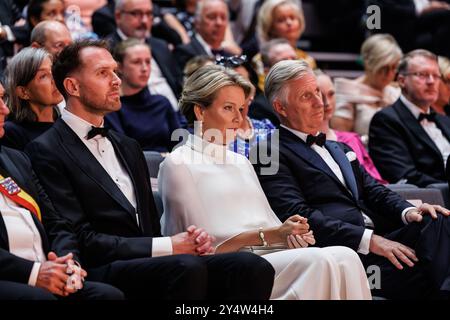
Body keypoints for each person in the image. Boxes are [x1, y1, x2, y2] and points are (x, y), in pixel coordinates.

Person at [25, 39, 275, 300]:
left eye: (115, 71)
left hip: (151, 259)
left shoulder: (127, 145)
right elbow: (80, 237)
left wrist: (187, 241)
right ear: (72, 86)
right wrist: (169, 245)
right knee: (185, 267)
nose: (116, 80)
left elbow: (149, 227)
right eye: (103, 73)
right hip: (98, 266)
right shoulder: (46, 149)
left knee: (249, 266)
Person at [159, 64, 372, 300]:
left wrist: (293, 234)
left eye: (241, 109)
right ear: (200, 112)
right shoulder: (178, 164)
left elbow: (271, 227)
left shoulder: (241, 161)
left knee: (346, 256)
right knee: (319, 261)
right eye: (228, 108)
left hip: (264, 256)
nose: (239, 118)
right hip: (227, 267)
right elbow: (201, 248)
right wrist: (274, 234)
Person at [255, 59, 450, 299]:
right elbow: (297, 214)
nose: (321, 103)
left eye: (318, 91)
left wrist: (408, 211)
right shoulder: (268, 151)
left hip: (380, 238)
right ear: (281, 107)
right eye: (307, 96)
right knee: (430, 273)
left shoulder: (338, 147)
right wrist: (369, 240)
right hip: (343, 255)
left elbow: (374, 190)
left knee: (435, 218)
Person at [0, 80, 124, 300]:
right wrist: (34, 273)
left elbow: (56, 222)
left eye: (2, 98)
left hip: (48, 271)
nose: (5, 109)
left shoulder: (15, 159)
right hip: (13, 277)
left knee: (108, 296)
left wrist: (69, 262)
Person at [369, 49, 450, 187]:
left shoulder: (445, 120)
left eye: (436, 76)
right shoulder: (385, 120)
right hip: (428, 201)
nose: (431, 81)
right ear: (402, 80)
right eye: (422, 75)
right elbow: (404, 176)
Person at [105, 38, 184, 153]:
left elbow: (180, 145)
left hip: (170, 166)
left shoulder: (162, 102)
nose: (144, 68)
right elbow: (124, 152)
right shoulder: (113, 108)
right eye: (136, 62)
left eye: (148, 62)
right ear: (120, 67)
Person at [107, 0, 183, 111]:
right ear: (118, 16)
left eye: (149, 14)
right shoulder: (107, 51)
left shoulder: (160, 45)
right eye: (136, 13)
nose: (144, 20)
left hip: (177, 115)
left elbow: (178, 85)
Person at [316, 70, 386, 184]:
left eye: (331, 94)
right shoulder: (304, 142)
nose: (326, 102)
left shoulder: (352, 139)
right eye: (319, 95)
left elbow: (378, 182)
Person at [331, 34, 402, 143]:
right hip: (362, 156)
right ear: (369, 64)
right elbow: (341, 141)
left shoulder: (395, 93)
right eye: (384, 67)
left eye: (394, 67)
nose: (389, 74)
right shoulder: (348, 91)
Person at [1, 48, 62, 151]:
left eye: (53, 70)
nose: (54, 79)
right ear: (23, 92)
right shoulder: (12, 132)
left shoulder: (65, 120)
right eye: (43, 76)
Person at [253, 0, 316, 92]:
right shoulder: (260, 60)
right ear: (270, 27)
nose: (289, 23)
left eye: (292, 18)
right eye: (281, 20)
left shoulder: (308, 59)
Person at [173, 0, 239, 71]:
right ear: (197, 22)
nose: (219, 23)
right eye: (212, 17)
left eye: (223, 18)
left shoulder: (231, 55)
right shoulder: (184, 52)